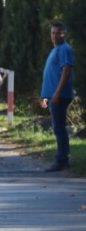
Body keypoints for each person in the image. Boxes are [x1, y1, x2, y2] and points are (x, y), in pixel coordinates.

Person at [40, 22, 74, 172]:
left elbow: (66, 71)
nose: (54, 36)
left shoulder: (65, 49)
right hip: (53, 95)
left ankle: (62, 160)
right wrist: (45, 95)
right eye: (52, 33)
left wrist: (57, 93)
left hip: (60, 95)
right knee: (57, 127)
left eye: (58, 33)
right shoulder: (55, 50)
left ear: (64, 34)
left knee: (59, 127)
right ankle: (62, 158)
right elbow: (51, 74)